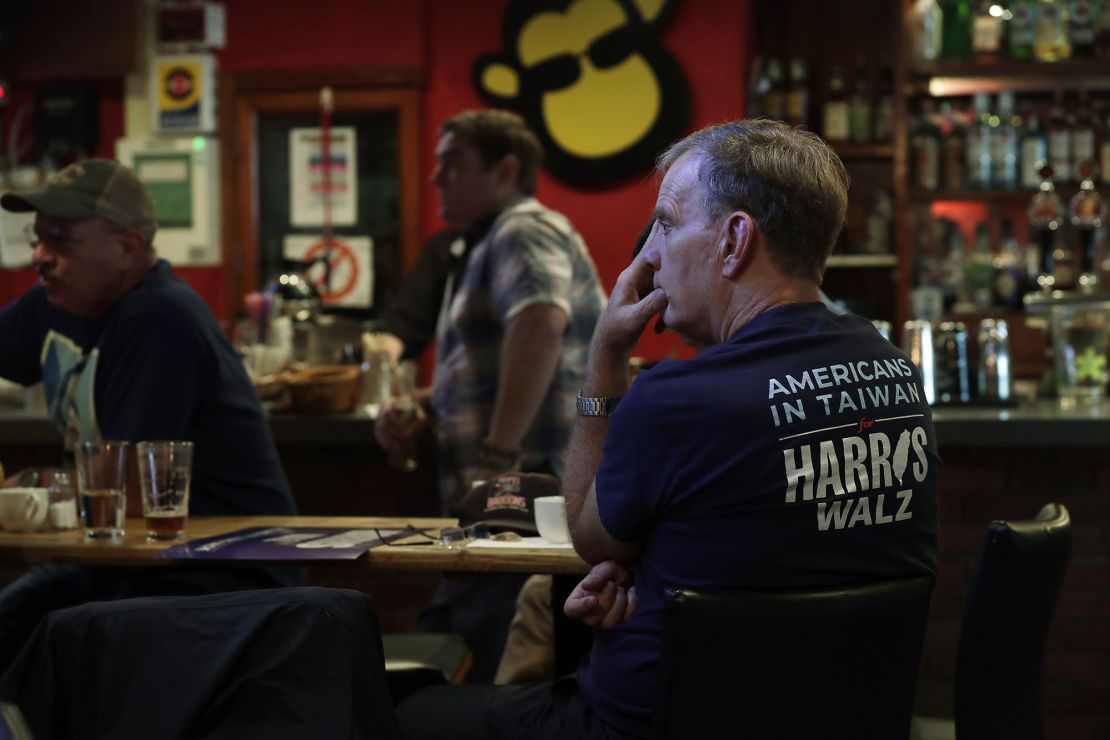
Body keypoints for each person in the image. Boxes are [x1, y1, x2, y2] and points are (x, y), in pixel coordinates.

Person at [397, 119, 939, 738]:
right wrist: (656, 564)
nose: (649, 254)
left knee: (408, 713)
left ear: (735, 241)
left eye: (667, 223)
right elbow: (783, 544)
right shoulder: (894, 373)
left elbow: (590, 539)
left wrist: (603, 359)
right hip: (844, 721)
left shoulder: (677, 400)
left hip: (648, 724)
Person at [0, 159, 298, 667]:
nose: (40, 256)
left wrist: (32, 486)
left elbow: (123, 494)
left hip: (223, 571)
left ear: (127, 247)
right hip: (133, 563)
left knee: (47, 649)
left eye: (61, 239)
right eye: (38, 236)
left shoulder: (158, 317)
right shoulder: (61, 299)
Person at [375, 109, 607, 682]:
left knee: (495, 672)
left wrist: (498, 454)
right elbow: (494, 366)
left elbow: (540, 325)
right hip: (509, 491)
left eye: (452, 164)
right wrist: (425, 404)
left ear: (505, 169)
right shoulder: (478, 245)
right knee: (469, 652)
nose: (435, 179)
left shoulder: (521, 226)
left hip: (528, 488)